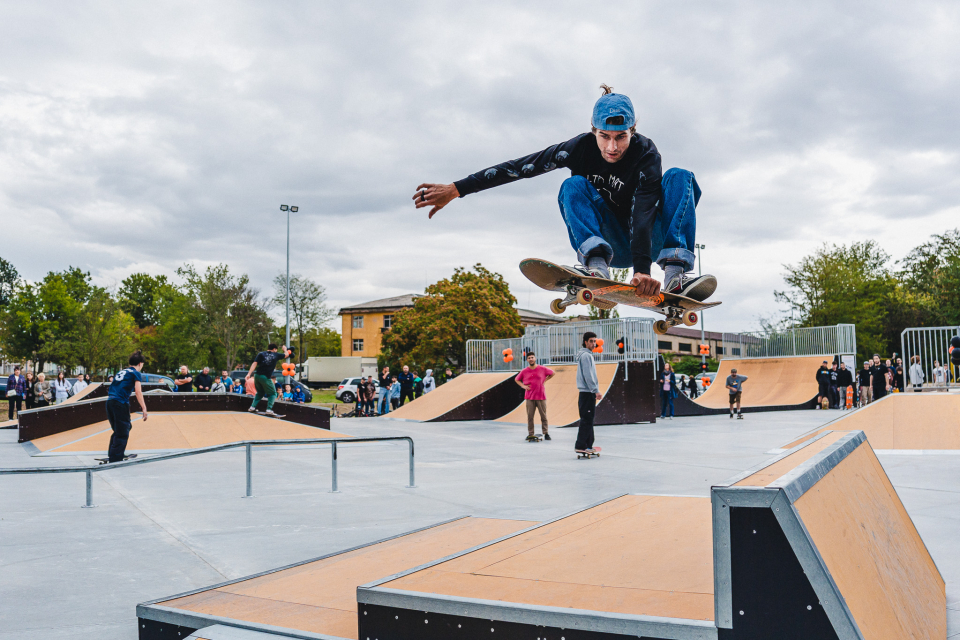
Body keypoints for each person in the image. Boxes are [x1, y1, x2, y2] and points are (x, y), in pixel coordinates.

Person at [414, 84, 717, 303]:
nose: (612, 148)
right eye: (604, 137)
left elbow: (645, 211)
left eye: (621, 137)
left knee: (681, 177)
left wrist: (641, 271)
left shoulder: (646, 155)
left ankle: (676, 274)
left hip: (648, 239)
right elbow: (522, 167)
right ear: (593, 130)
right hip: (609, 241)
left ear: (633, 130)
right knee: (572, 185)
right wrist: (457, 188)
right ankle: (595, 266)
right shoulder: (578, 149)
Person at [105, 350, 149, 463]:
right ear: (140, 363)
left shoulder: (122, 372)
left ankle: (114, 453)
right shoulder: (136, 373)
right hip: (120, 403)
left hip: (110, 402)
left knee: (121, 429)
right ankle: (115, 459)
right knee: (122, 431)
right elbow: (138, 392)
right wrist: (144, 408)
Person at [514, 351, 556, 441]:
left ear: (535, 358)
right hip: (529, 397)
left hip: (541, 396)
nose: (531, 359)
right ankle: (530, 433)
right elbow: (517, 379)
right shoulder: (524, 371)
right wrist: (523, 386)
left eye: (532, 357)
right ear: (527, 360)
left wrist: (545, 380)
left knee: (543, 416)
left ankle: (546, 433)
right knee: (530, 416)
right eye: (529, 358)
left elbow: (552, 373)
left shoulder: (542, 368)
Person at [575, 332, 602, 454]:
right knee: (586, 419)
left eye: (594, 341)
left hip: (586, 392)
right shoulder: (586, 356)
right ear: (585, 342)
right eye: (591, 341)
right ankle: (581, 445)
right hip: (587, 392)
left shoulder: (587, 355)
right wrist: (595, 390)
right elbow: (588, 375)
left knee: (589, 419)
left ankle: (589, 445)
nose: (593, 343)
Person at [245, 343, 288, 416]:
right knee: (272, 393)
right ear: (274, 349)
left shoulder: (261, 354)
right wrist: (285, 349)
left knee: (260, 392)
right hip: (265, 377)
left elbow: (254, 363)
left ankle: (252, 407)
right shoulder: (276, 354)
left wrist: (249, 374)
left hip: (257, 376)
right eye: (276, 350)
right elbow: (286, 355)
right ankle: (269, 409)